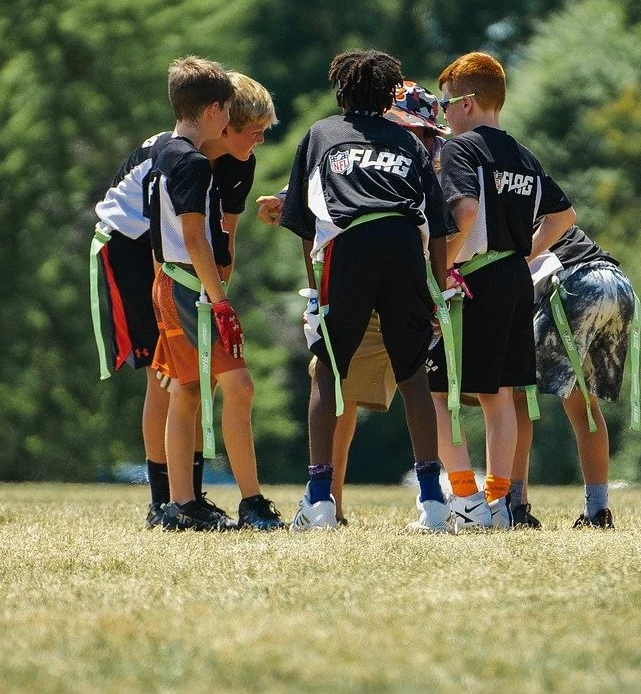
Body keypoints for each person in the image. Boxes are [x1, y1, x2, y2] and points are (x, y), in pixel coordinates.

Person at [253, 81, 448, 525]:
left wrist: (317, 293)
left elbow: (310, 214)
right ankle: (419, 499)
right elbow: (437, 224)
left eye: (431, 133)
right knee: (391, 377)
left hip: (351, 255)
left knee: (334, 371)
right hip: (401, 257)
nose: (431, 140)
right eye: (422, 130)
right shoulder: (402, 146)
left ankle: (320, 497)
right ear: (391, 113)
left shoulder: (329, 132)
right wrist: (438, 294)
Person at [426, 52, 575, 531]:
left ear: (468, 103)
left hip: (476, 280)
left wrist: (439, 270)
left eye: (447, 103)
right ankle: (500, 501)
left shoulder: (461, 150)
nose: (443, 114)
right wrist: (525, 255)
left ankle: (468, 503)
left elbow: (465, 212)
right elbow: (563, 217)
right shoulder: (522, 154)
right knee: (501, 396)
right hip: (515, 277)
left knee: (443, 392)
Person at [141, 58, 255, 531]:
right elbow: (194, 239)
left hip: (171, 282)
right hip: (189, 285)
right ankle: (188, 503)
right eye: (227, 111)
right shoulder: (191, 163)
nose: (230, 121)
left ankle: (180, 503)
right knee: (233, 387)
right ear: (212, 110)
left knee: (187, 390)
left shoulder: (162, 152)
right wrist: (221, 300)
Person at [515, 224, 638, 529]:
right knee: (583, 404)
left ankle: (514, 506)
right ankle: (597, 512)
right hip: (617, 285)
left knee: (514, 394)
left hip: (576, 285)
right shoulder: (539, 202)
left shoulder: (504, 216)